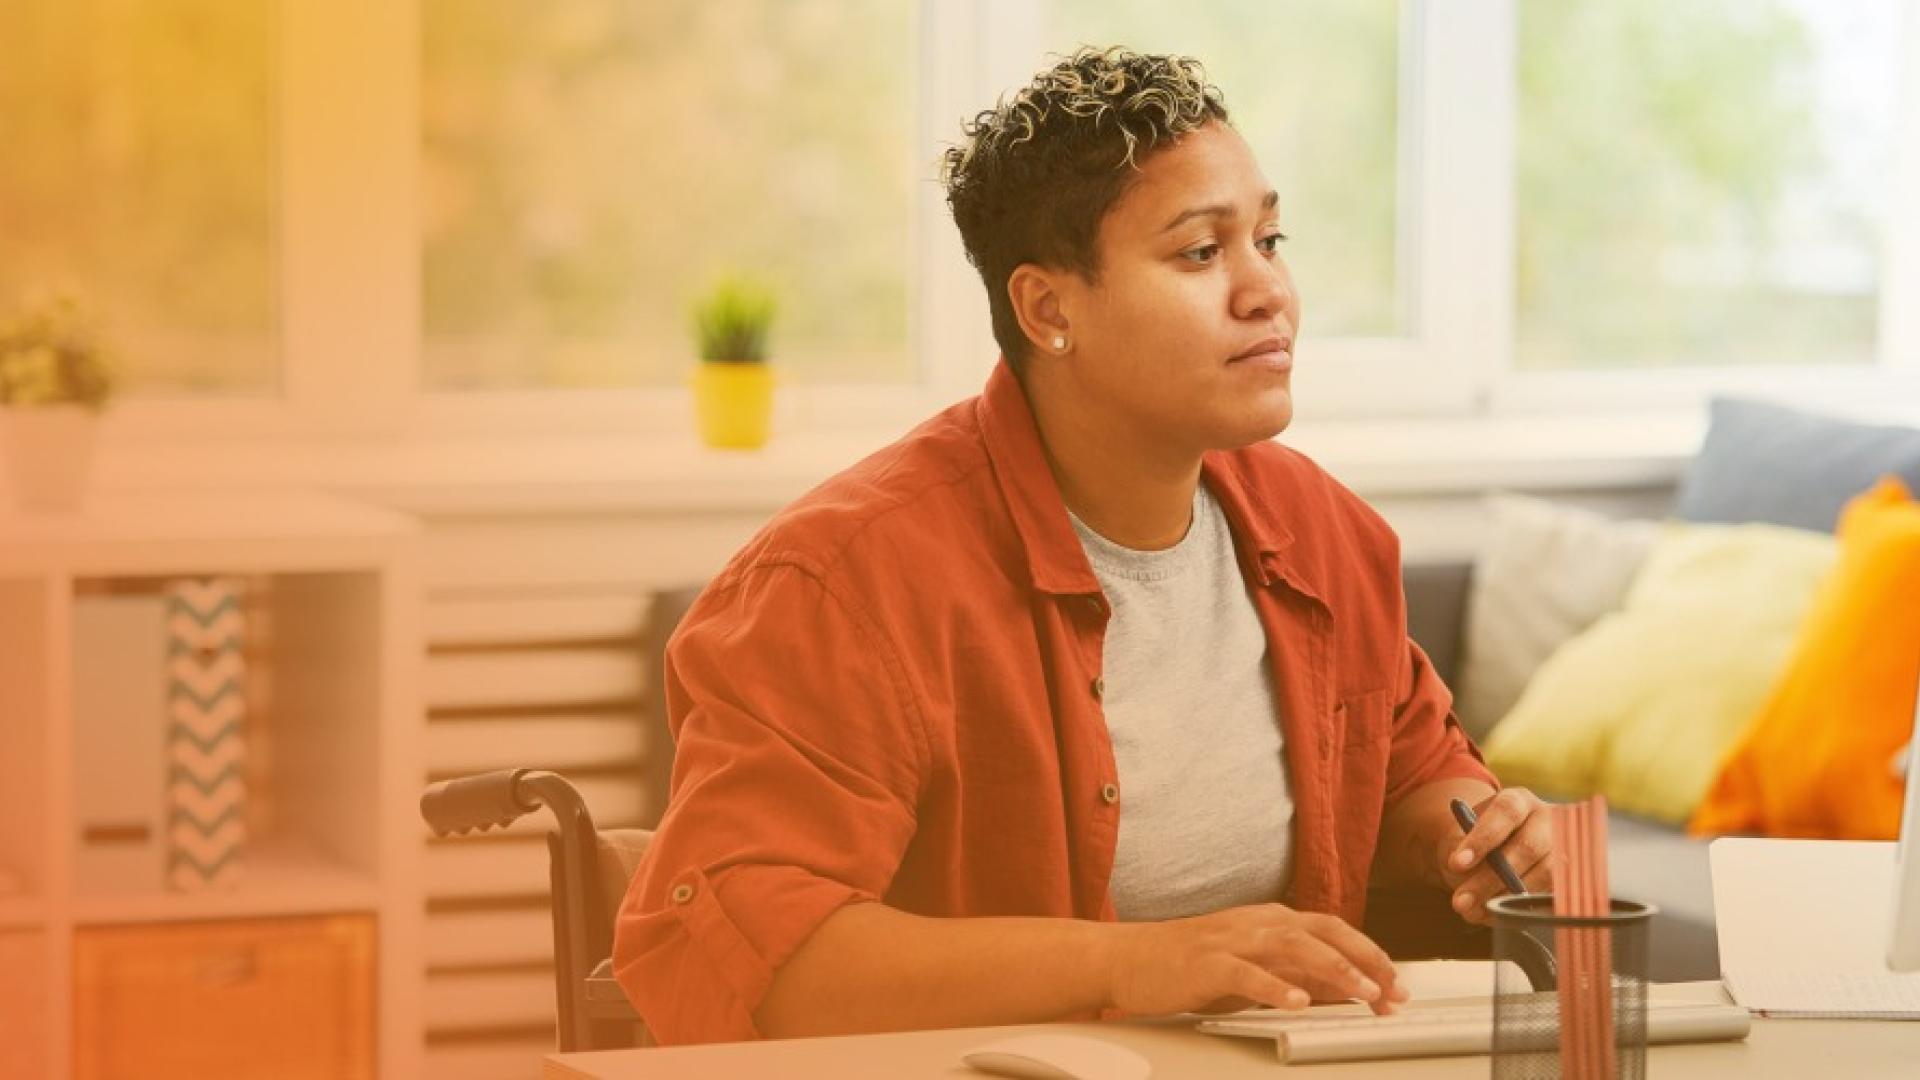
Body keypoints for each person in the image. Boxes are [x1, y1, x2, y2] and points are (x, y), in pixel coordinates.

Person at [612, 45, 1553, 1046]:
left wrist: (1474, 835)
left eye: (1270, 240)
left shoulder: (1324, 534)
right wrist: (1135, 964)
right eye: (1201, 253)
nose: (1267, 291)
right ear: (1049, 309)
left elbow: (1411, 771)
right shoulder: (837, 585)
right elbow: (771, 963)